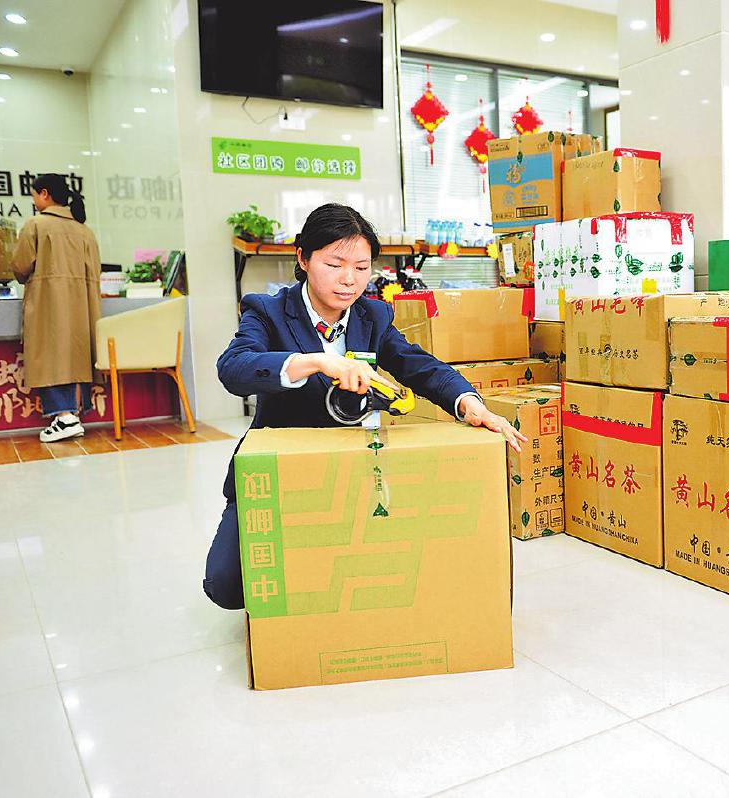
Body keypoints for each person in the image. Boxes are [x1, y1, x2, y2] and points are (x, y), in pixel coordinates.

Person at [203, 203, 526, 610]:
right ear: (303, 258)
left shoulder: (373, 315)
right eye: (334, 264)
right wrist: (317, 362)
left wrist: (468, 403)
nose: (349, 280)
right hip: (283, 469)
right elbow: (234, 368)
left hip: (353, 466)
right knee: (227, 585)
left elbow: (420, 366)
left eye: (361, 267)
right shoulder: (267, 312)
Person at [11, 174, 101, 443]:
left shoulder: (36, 225)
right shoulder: (85, 231)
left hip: (47, 304)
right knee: (77, 355)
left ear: (45, 194)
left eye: (34, 195)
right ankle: (73, 414)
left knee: (50, 354)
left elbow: (20, 267)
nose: (34, 201)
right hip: (83, 305)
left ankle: (64, 417)